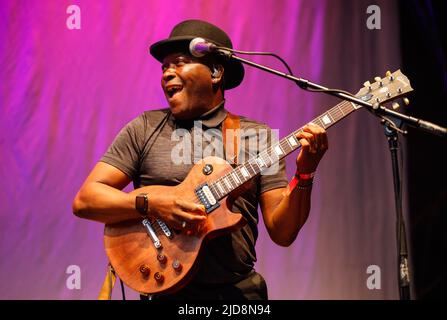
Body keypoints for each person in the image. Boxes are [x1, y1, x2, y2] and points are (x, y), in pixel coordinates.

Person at [72, 19, 328, 300]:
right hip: (164, 294)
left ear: (216, 71)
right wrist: (154, 203)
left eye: (179, 63)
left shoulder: (257, 136)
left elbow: (283, 232)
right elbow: (86, 200)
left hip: (238, 296)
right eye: (164, 67)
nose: (167, 73)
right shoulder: (144, 127)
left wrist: (305, 173)